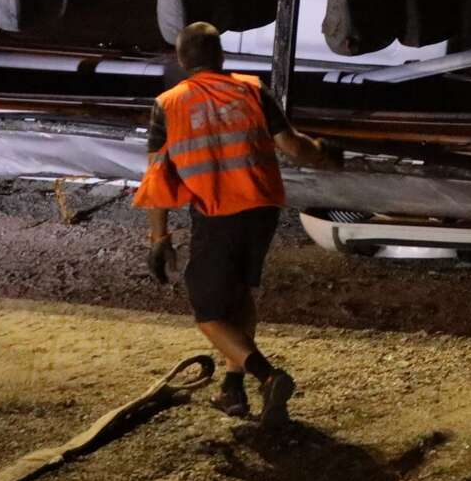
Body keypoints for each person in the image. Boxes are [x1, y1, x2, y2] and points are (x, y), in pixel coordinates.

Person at [133, 22, 336, 426]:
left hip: (217, 215)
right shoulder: (252, 90)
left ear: (181, 60)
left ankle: (268, 376)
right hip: (262, 211)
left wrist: (159, 238)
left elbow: (158, 178)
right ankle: (232, 388)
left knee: (209, 313)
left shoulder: (168, 105)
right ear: (221, 57)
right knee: (239, 296)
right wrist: (327, 153)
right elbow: (294, 146)